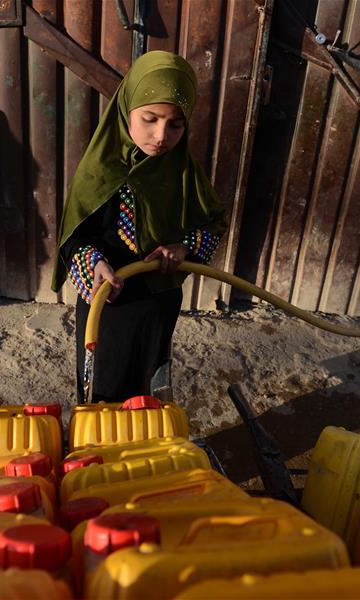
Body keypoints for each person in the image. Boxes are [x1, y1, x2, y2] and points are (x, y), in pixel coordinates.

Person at [52, 51, 227, 403]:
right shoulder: (98, 170)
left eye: (175, 124)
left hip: (158, 301)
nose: (161, 135)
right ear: (126, 107)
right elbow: (74, 239)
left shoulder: (182, 172)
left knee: (150, 388)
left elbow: (213, 223)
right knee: (103, 386)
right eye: (149, 119)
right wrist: (95, 263)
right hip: (108, 301)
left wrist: (185, 247)